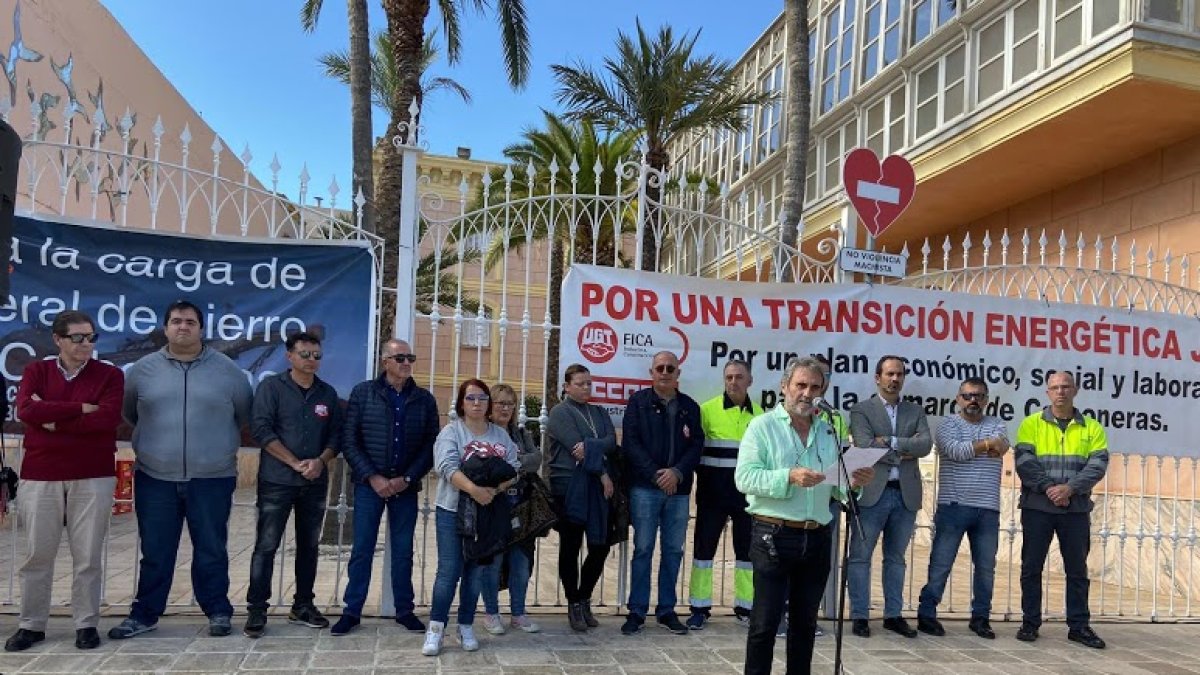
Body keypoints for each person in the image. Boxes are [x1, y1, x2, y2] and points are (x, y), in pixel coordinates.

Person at [110, 300, 253, 640]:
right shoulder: (142, 370)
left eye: (190, 322)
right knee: (156, 550)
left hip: (212, 478)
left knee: (211, 548)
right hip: (155, 478)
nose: (183, 327)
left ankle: (218, 610)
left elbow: (243, 415)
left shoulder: (228, 371)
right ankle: (145, 614)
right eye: (176, 321)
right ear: (165, 328)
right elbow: (131, 414)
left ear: (202, 329)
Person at [736, 356, 874, 675]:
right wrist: (788, 476)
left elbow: (837, 488)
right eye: (800, 385)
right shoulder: (762, 426)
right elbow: (744, 478)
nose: (806, 393)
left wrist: (854, 483)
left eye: (814, 387)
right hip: (774, 536)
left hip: (816, 539)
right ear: (784, 387)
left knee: (805, 625)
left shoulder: (828, 431)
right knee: (764, 625)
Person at [5, 311, 123, 652]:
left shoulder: (109, 375)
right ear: (58, 339)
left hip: (93, 474)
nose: (86, 344)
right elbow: (27, 411)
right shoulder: (36, 371)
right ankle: (31, 625)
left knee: (87, 557)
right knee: (37, 555)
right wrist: (80, 408)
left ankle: (86, 624)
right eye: (78, 338)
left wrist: (54, 418)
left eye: (91, 337)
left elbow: (107, 419)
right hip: (41, 474)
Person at [332, 339, 440, 636]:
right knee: (362, 549)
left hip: (405, 486)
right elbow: (349, 440)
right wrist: (373, 477)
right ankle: (352, 611)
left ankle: (404, 610)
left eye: (410, 358)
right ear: (385, 362)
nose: (407, 362)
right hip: (370, 486)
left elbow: (431, 445)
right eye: (400, 357)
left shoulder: (424, 399)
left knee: (404, 551)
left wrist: (406, 478)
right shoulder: (363, 393)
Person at [243, 332, 344, 638]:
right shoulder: (271, 387)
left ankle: (303, 605)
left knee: (309, 547)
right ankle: (257, 610)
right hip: (277, 481)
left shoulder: (327, 394)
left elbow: (335, 436)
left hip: (313, 482)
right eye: (305, 354)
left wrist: (320, 461)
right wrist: (293, 462)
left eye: (316, 355)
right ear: (290, 356)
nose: (311, 360)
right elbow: (261, 429)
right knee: (266, 546)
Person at [423, 379, 520, 657]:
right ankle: (436, 628)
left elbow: (513, 467)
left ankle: (465, 625)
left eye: (482, 398)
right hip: (453, 511)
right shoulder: (451, 432)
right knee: (449, 572)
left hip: (488, 514)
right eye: (471, 398)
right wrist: (475, 490)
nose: (477, 403)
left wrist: (495, 490)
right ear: (461, 403)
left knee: (475, 573)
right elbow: (445, 466)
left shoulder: (500, 436)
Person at [1014, 371, 1109, 649]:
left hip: (1075, 509)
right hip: (1038, 507)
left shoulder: (1092, 427)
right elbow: (1024, 461)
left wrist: (1069, 489)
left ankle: (1078, 626)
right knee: (1031, 568)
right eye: (1055, 387)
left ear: (1075, 390)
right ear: (1047, 392)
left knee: (1077, 570)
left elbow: (1098, 465)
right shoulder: (1031, 424)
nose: (1060, 392)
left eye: (1066, 387)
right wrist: (1050, 489)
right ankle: (1030, 623)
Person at [916, 377, 1008, 639]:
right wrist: (986, 445)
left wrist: (986, 446)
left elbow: (1002, 446)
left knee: (986, 568)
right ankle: (927, 615)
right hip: (953, 506)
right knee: (941, 564)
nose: (973, 401)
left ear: (986, 400)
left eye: (978, 396)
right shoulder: (947, 424)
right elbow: (955, 451)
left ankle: (980, 618)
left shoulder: (997, 424)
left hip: (987, 509)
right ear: (958, 399)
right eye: (967, 396)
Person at [847, 355, 931, 639]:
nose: (895, 379)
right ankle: (860, 615)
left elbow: (925, 445)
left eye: (900, 374)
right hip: (872, 494)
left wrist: (890, 442)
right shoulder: (862, 410)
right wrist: (904, 451)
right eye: (890, 374)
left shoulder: (915, 410)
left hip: (905, 495)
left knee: (896, 559)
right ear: (877, 377)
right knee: (860, 557)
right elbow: (865, 445)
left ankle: (893, 615)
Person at [620, 351, 703, 636]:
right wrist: (657, 475)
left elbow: (696, 446)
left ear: (678, 373)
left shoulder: (690, 407)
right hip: (646, 488)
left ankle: (667, 610)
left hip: (678, 492)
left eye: (670, 368)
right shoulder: (638, 403)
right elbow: (631, 444)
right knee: (643, 549)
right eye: (660, 368)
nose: (665, 372)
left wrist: (676, 472)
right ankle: (637, 611)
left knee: (673, 550)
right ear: (651, 372)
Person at [687, 359, 762, 630]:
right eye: (729, 377)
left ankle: (746, 606)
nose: (733, 382)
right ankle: (698, 606)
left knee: (747, 555)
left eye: (739, 377)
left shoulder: (761, 416)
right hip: (712, 496)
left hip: (747, 498)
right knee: (704, 552)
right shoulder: (706, 411)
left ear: (750, 381)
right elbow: (695, 451)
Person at [546, 364, 617, 631]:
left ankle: (585, 596)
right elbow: (577, 451)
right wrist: (602, 474)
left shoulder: (598, 412)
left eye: (589, 383)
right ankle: (573, 602)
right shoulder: (559, 412)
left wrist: (593, 446)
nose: (586, 387)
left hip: (598, 493)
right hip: (569, 489)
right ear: (566, 386)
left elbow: (611, 441)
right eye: (580, 383)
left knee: (600, 546)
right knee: (571, 547)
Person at [479, 383, 543, 635]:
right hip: (494, 506)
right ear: (490, 406)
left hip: (521, 507)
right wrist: (516, 464)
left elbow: (536, 458)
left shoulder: (520, 432)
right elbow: (485, 467)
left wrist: (509, 464)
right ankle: (491, 613)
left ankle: (518, 613)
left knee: (521, 563)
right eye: (500, 403)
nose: (506, 408)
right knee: (493, 562)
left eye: (510, 403)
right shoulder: (484, 432)